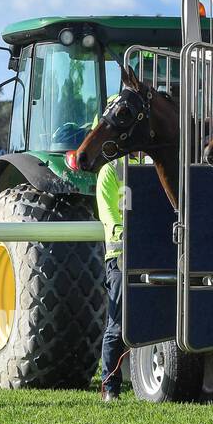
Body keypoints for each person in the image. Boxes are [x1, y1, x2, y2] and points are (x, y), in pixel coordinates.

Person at [95, 107, 126, 401]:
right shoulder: (109, 171)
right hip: (120, 258)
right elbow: (109, 214)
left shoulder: (142, 165)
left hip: (149, 253)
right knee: (117, 324)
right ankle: (110, 387)